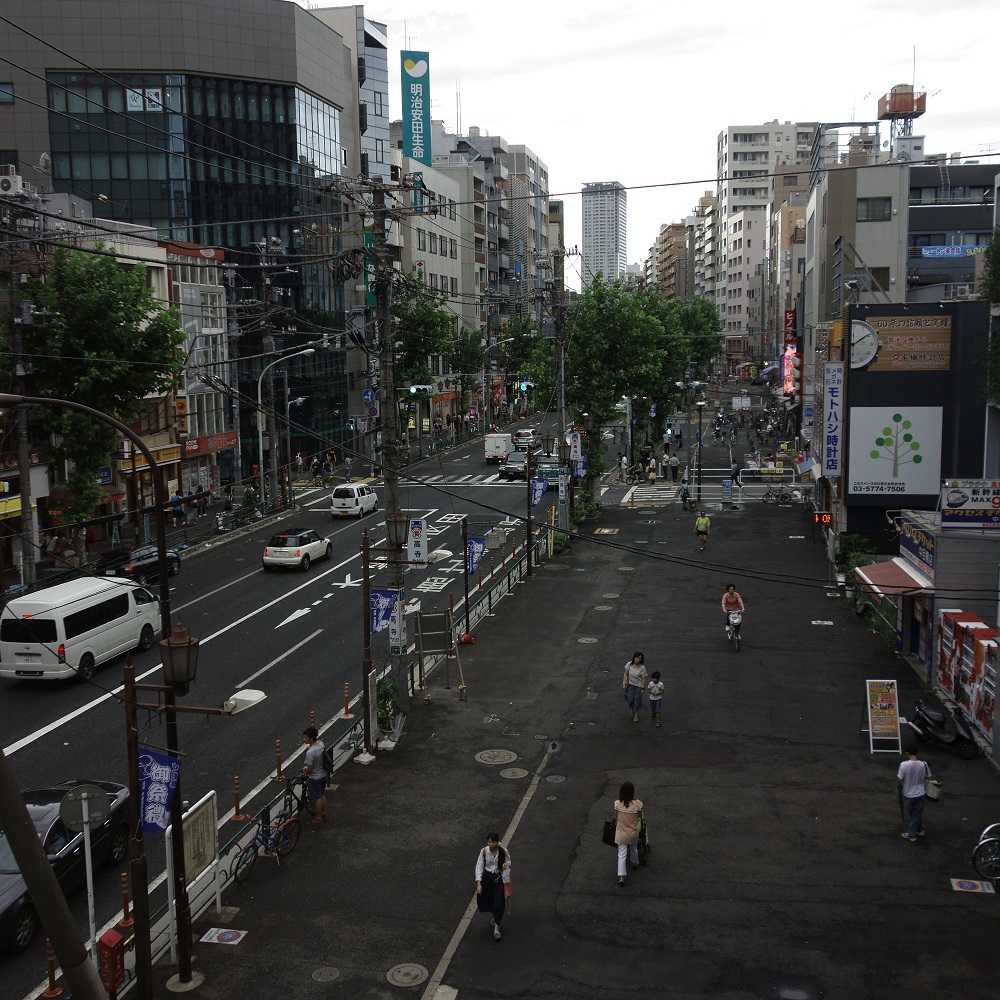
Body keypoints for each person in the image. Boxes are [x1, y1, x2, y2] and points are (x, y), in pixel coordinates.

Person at [475, 832, 511, 941]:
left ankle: (497, 928)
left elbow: (509, 861)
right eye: (490, 842)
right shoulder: (484, 851)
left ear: (497, 841)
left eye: (494, 842)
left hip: (498, 879)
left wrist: (505, 865)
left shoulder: (503, 851)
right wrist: (479, 883)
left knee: (499, 902)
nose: (491, 844)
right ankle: (495, 916)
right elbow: (479, 866)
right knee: (488, 900)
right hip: (487, 878)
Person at [613, 781, 644, 887]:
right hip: (633, 833)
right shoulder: (637, 804)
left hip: (621, 834)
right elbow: (640, 816)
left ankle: (621, 877)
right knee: (633, 848)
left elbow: (616, 817)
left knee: (621, 854)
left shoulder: (618, 804)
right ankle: (635, 863)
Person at [898, 746, 931, 842]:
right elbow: (929, 776)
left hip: (909, 793)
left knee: (914, 814)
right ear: (918, 752)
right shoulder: (923, 764)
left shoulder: (904, 765)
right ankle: (920, 829)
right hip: (921, 793)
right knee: (916, 813)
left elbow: (900, 779)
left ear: (907, 753)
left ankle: (912, 835)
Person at [301, 726, 328, 825]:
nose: (304, 739)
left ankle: (319, 817)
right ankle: (324, 813)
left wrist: (305, 770)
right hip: (323, 774)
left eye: (305, 738)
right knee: (322, 794)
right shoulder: (320, 744)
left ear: (311, 739)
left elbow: (310, 768)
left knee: (317, 797)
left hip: (315, 777)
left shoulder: (310, 753)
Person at [622, 652, 647, 723]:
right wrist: (624, 683)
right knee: (630, 699)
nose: (638, 660)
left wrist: (642, 688)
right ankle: (633, 709)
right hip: (630, 685)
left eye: (639, 658)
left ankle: (636, 714)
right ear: (634, 658)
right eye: (637, 658)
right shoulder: (629, 664)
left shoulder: (642, 668)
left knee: (637, 700)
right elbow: (625, 674)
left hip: (638, 686)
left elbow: (643, 678)